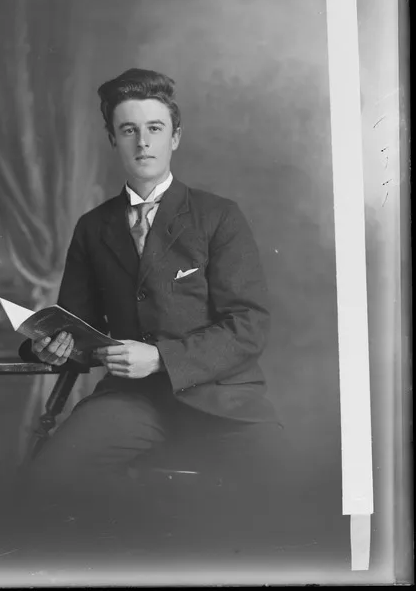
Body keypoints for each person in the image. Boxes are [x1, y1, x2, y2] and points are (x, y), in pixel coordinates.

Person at [17, 68, 297, 548]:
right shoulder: (93, 226)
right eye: (128, 130)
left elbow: (249, 326)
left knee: (289, 497)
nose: (142, 142)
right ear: (112, 139)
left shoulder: (218, 216)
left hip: (222, 399)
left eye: (154, 129)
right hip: (132, 402)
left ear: (175, 137)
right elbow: (81, 331)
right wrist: (53, 347)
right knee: (46, 485)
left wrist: (162, 359)